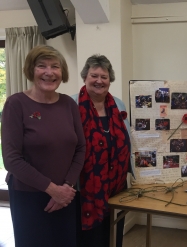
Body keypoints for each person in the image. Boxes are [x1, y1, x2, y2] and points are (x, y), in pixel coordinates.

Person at [1, 45, 86, 247]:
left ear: (62, 72)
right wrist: (52, 189)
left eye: (55, 67)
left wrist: (67, 187)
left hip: (66, 195)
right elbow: (11, 159)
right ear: (32, 70)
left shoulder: (68, 104)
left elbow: (81, 148)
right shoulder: (16, 104)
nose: (49, 72)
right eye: (42, 66)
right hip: (29, 197)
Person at [71, 54, 134, 247]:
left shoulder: (118, 104)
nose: (99, 81)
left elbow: (127, 137)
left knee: (114, 233)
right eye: (94, 75)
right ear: (85, 77)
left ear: (110, 80)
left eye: (104, 77)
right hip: (85, 186)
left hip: (117, 184)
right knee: (90, 238)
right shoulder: (71, 105)